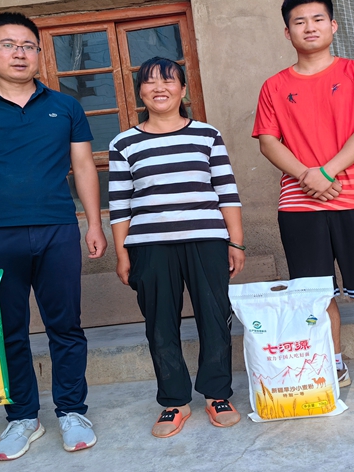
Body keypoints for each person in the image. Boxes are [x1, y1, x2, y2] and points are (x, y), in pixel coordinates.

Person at [0, 12, 108, 460]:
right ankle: (22, 418)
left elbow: (83, 167)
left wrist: (94, 223)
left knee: (66, 326)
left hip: (56, 229)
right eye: (8, 45)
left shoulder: (66, 107)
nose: (19, 53)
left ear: (39, 53)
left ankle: (72, 411)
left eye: (28, 46)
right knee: (7, 330)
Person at [253, 0, 354, 405]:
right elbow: (267, 141)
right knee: (315, 293)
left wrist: (325, 172)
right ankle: (331, 362)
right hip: (299, 204)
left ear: (333, 25)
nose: (310, 27)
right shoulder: (274, 86)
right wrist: (307, 175)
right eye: (299, 21)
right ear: (287, 32)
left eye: (318, 19)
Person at [109, 57, 245, 437]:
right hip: (150, 246)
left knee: (214, 318)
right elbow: (119, 205)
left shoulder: (207, 135)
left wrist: (235, 241)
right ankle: (174, 401)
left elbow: (227, 192)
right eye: (150, 81)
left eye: (168, 81)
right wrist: (122, 254)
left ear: (183, 89)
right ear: (140, 92)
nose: (159, 88)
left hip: (207, 241)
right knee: (160, 324)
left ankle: (217, 394)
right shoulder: (124, 143)